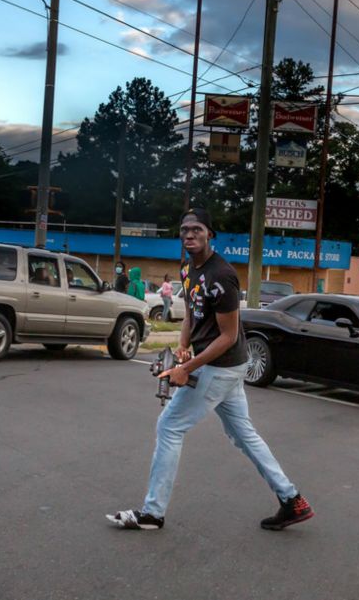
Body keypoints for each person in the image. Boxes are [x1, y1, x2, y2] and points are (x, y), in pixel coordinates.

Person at [107, 208, 313, 531]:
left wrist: (186, 368)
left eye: (197, 229)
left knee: (169, 426)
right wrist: (183, 343)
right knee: (243, 435)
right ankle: (292, 500)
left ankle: (152, 512)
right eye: (184, 230)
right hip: (220, 365)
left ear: (210, 234)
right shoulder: (188, 267)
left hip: (222, 366)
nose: (189, 235)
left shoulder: (223, 276)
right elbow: (191, 311)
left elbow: (229, 336)